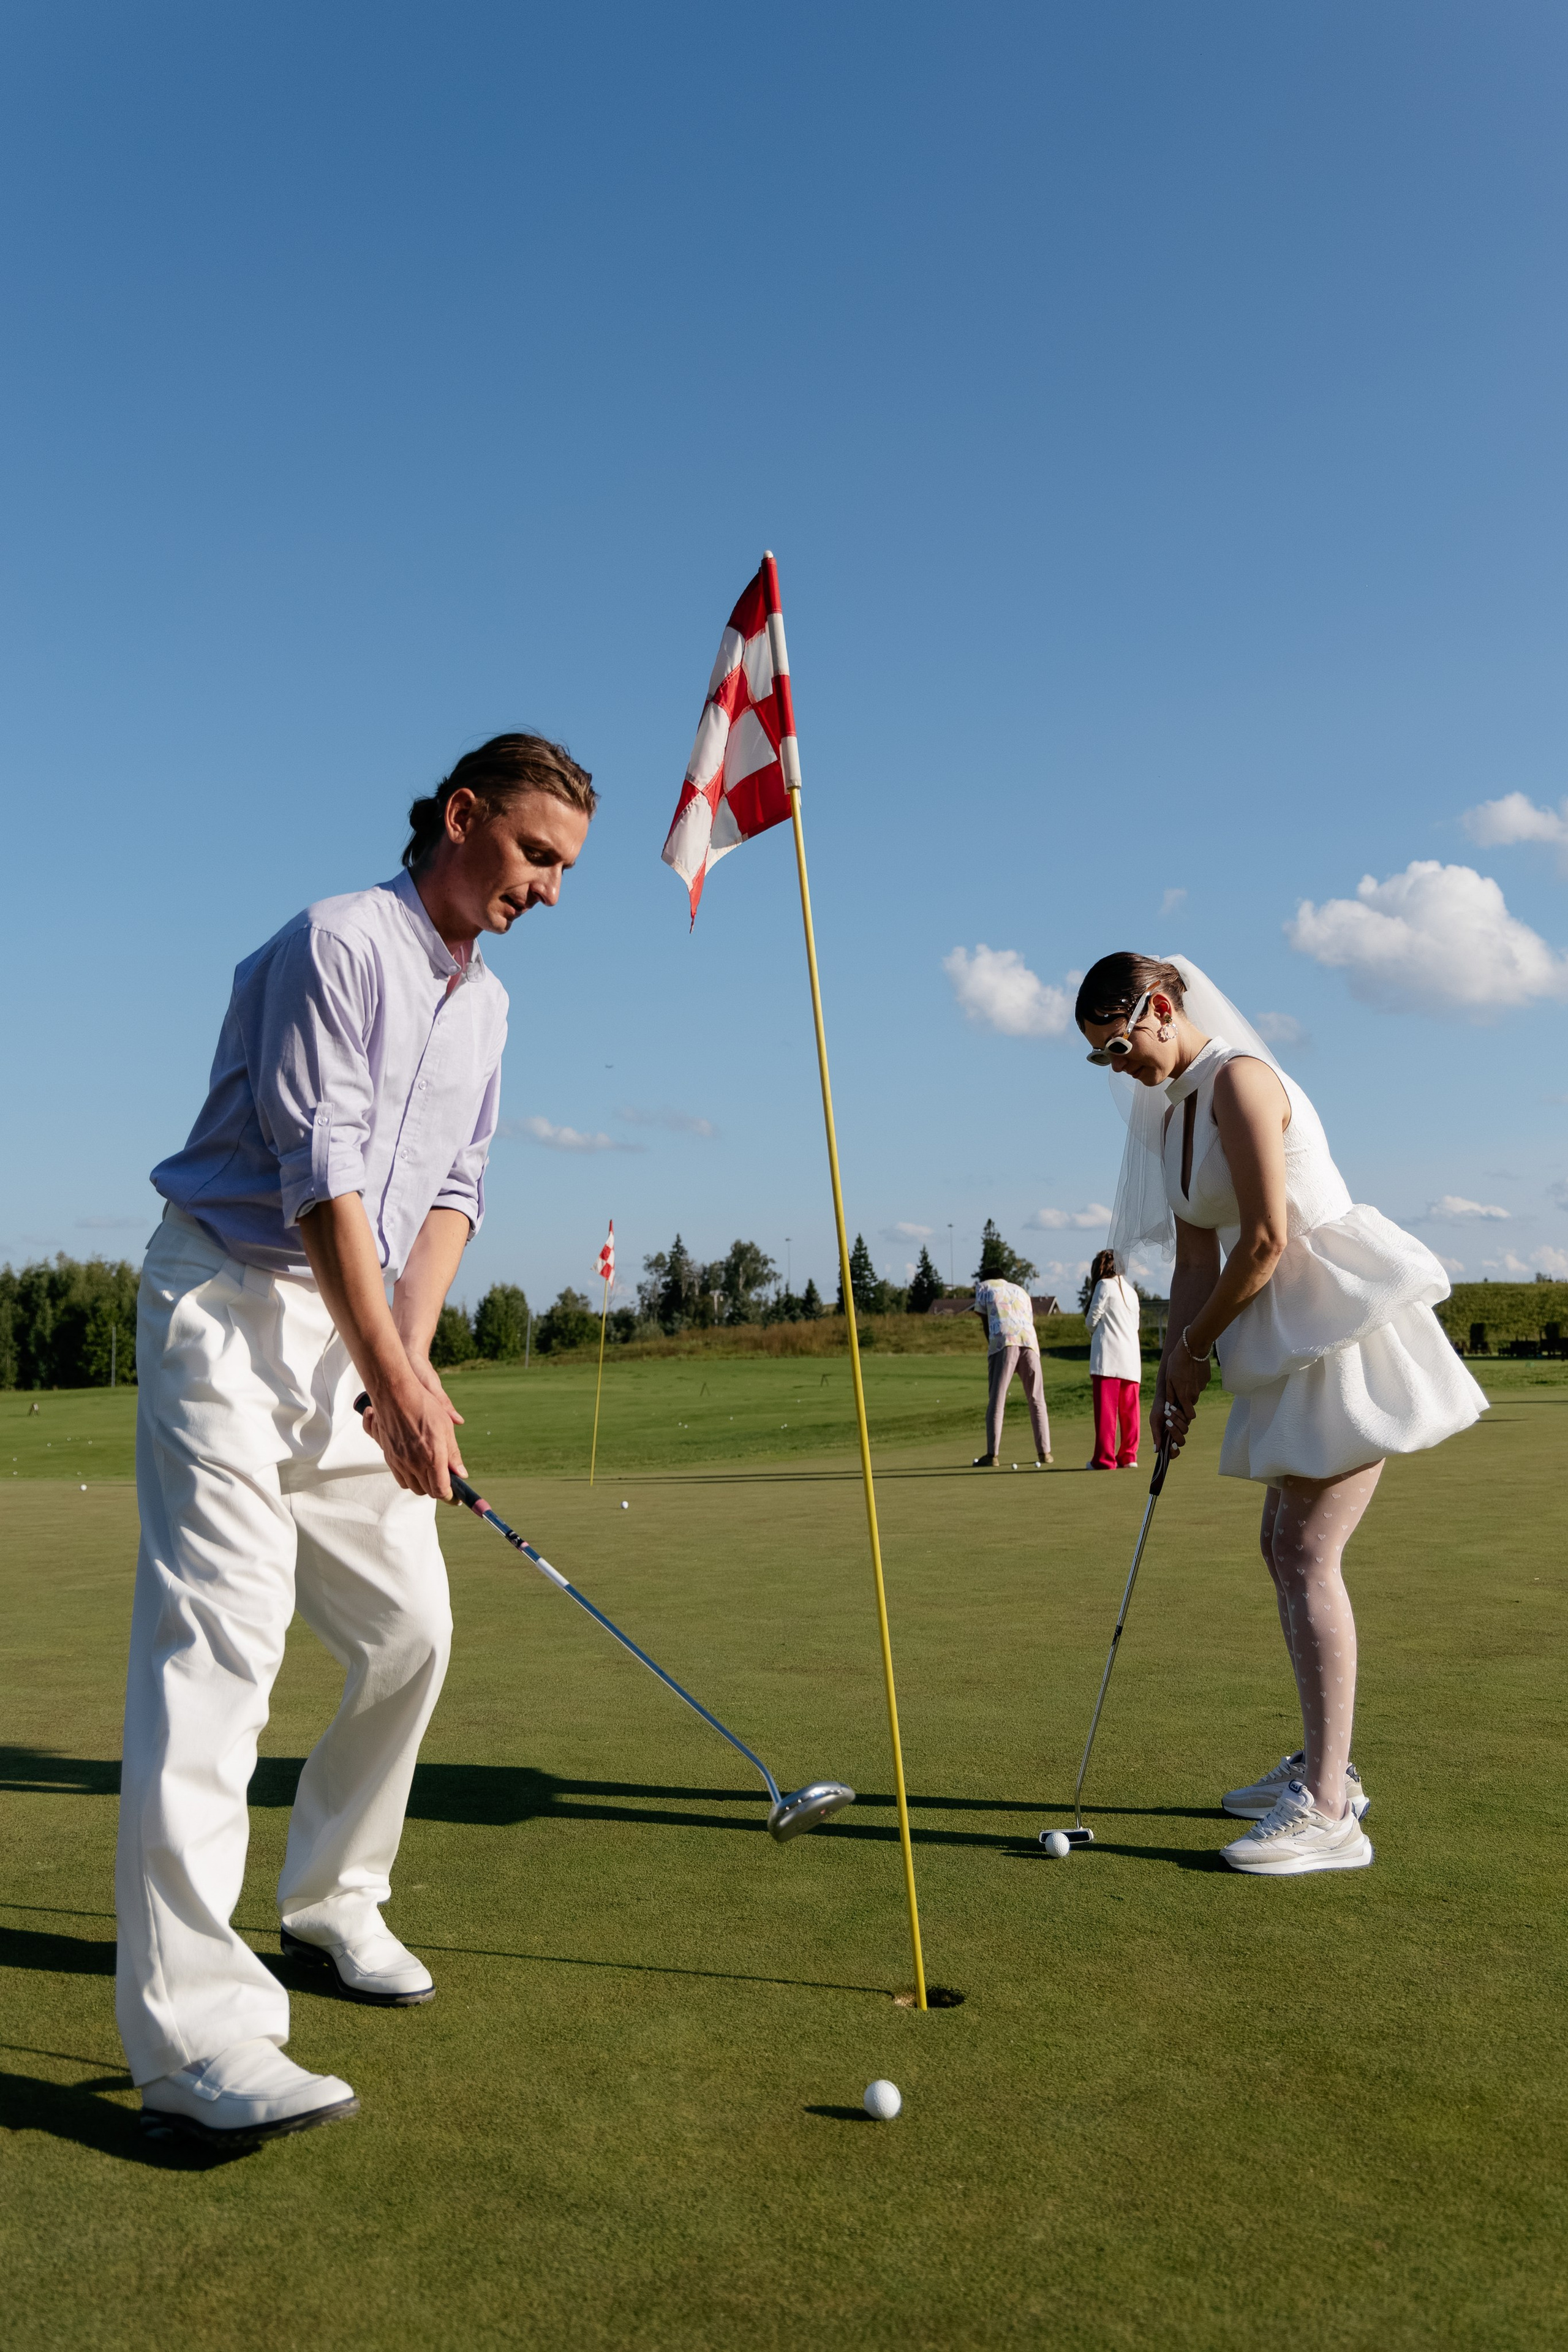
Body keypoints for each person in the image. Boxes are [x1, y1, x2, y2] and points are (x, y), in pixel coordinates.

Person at [116, 733, 595, 2148]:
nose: (548, 889)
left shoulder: (487, 1006)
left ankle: (332, 1898)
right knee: (221, 1647)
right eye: (535, 853)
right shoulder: (333, 942)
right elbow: (318, 1172)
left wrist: (407, 1366)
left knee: (410, 1629)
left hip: (354, 1325)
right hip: (224, 1303)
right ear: (459, 815)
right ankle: (195, 2038)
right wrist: (388, 1369)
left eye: (564, 868)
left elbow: (450, 1193)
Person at [1077, 952, 1485, 1876]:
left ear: (1161, 1008)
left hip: (1341, 1324)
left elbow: (1264, 1240)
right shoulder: (1173, 1115)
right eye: (1101, 1058)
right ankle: (1322, 1765)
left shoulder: (1242, 1081)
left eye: (1120, 1046)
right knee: (1281, 1548)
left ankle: (1332, 1813)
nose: (1119, 1068)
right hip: (1285, 1336)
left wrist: (1198, 1349)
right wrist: (1172, 1368)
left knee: (1305, 1553)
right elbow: (1194, 1262)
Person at [971, 1277, 1053, 1467]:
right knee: (1037, 1399)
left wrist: (993, 1345)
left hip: (1003, 1342)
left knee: (997, 1399)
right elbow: (1028, 1319)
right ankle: (1045, 1453)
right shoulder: (1021, 1290)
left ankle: (992, 1455)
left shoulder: (984, 1286)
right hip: (1029, 1342)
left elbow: (985, 1319)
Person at [1084, 1247, 1142, 1469]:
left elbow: (1092, 1319)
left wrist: (1094, 1329)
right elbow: (1135, 1326)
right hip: (1131, 1359)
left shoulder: (1104, 1285)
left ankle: (1105, 1459)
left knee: (1106, 1412)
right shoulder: (1132, 1292)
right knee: (1130, 1412)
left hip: (1108, 1357)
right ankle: (1128, 1456)